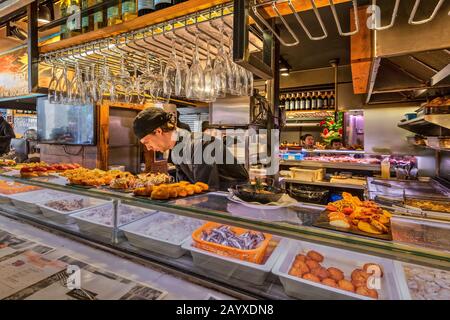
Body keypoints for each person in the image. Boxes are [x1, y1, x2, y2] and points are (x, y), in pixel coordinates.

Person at [133, 108, 249, 191]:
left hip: (235, 203)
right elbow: (184, 187)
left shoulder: (201, 144)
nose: (148, 148)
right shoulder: (175, 151)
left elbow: (206, 191)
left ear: (158, 131)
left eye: (147, 142)